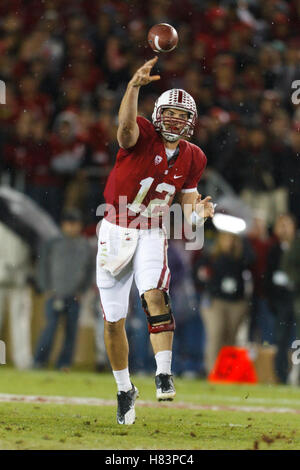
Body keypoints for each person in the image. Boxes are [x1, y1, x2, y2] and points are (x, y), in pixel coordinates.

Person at [97, 57, 214, 425]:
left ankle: (164, 372)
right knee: (114, 320)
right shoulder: (142, 134)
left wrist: (199, 215)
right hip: (115, 229)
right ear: (159, 114)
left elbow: (188, 205)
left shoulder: (194, 157)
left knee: (153, 294)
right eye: (172, 114)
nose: (176, 121)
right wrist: (134, 85)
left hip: (151, 228)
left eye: (183, 116)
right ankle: (123, 388)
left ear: (191, 123)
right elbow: (125, 126)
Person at [34, 208, 94, 370]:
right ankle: (39, 361)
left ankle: (64, 363)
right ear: (63, 225)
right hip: (55, 294)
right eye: (70, 223)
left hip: (75, 296)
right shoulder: (53, 242)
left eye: (76, 224)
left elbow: (90, 270)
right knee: (50, 329)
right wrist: (46, 288)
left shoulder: (85, 245)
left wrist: (82, 291)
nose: (73, 227)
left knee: (71, 331)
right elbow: (42, 267)